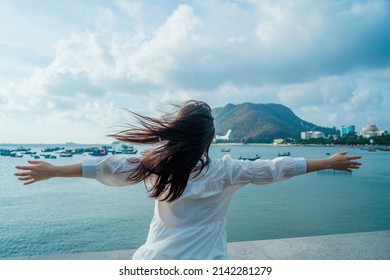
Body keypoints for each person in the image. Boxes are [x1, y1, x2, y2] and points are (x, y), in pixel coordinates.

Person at [14, 100, 362, 260]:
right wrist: (327, 162)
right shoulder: (227, 171)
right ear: (208, 140)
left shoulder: (155, 164)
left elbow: (107, 166)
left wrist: (54, 170)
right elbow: (276, 167)